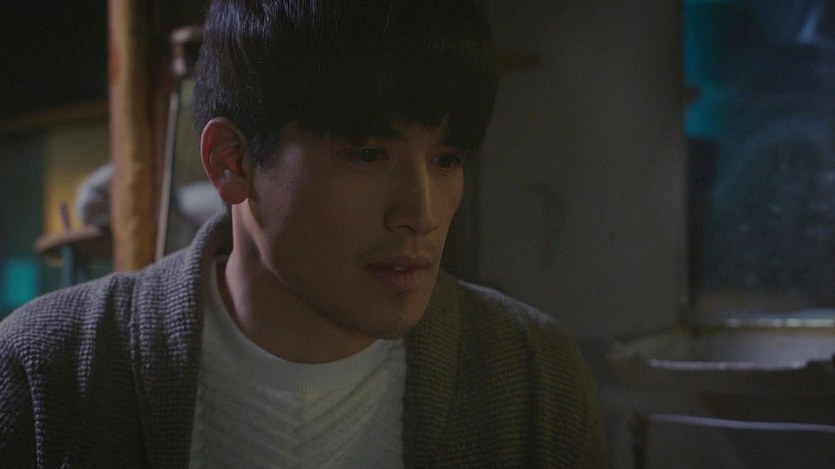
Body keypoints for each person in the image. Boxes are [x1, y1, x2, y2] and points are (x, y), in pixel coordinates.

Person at [0, 0, 607, 467]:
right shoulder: (48, 373)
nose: (420, 213)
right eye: (368, 155)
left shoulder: (532, 377)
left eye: (445, 159)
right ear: (232, 162)